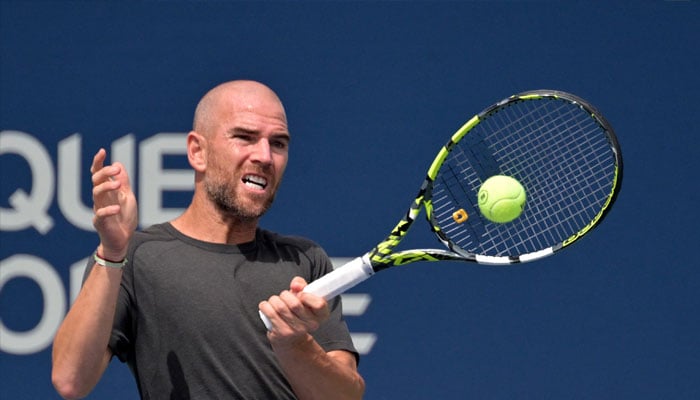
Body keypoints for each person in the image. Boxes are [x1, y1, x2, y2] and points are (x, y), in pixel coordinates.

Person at [51, 80, 366, 400]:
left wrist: (294, 343)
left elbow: (345, 396)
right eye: (244, 137)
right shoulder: (135, 256)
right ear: (197, 151)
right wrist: (112, 251)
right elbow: (70, 380)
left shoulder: (304, 259)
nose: (265, 156)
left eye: (279, 143)